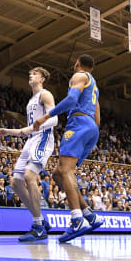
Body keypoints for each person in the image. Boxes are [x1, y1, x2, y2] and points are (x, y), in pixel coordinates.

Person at [32, 54, 103, 242]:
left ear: (78, 64)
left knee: (65, 171)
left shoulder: (78, 76)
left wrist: (46, 117)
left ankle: (77, 219)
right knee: (58, 173)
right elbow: (97, 119)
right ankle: (90, 215)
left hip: (78, 124)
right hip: (91, 128)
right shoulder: (94, 86)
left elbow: (71, 100)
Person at [0, 67, 57, 241]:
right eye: (29, 73)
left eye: (35, 74)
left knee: (30, 176)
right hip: (31, 139)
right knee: (15, 182)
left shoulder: (45, 94)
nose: (31, 75)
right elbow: (26, 131)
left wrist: (35, 126)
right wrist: (8, 131)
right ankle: (41, 220)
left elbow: (55, 118)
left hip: (43, 137)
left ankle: (37, 226)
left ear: (43, 79)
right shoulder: (31, 100)